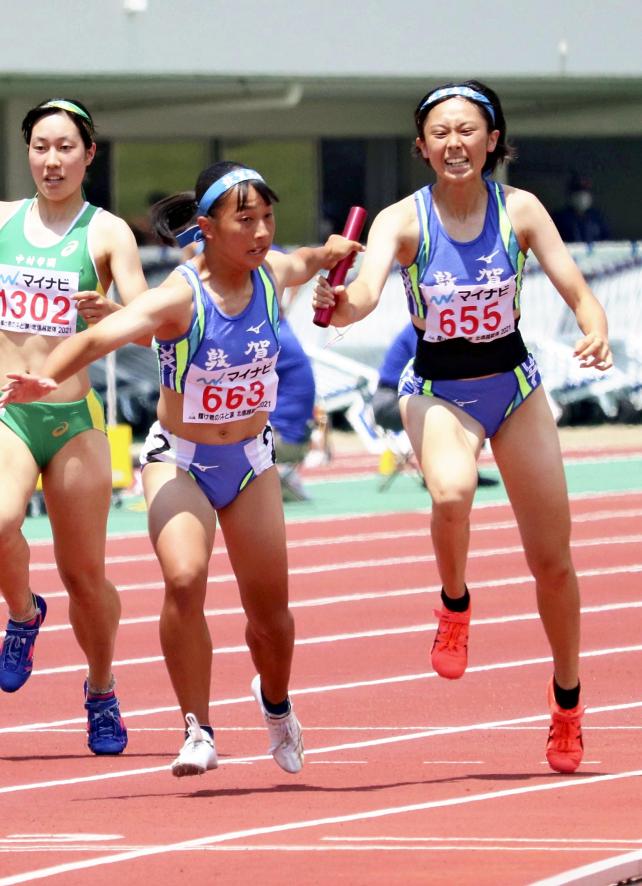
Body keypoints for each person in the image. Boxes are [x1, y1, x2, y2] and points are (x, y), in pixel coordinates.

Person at [1, 161, 363, 777]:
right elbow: (98, 338)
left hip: (251, 462)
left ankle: (276, 704)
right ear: (208, 228)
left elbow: (307, 260)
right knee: (185, 577)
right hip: (180, 460)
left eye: (267, 218)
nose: (261, 232)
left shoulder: (272, 273)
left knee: (271, 619)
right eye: (245, 220)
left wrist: (333, 254)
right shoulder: (179, 296)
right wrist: (46, 377)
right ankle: (198, 728)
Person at [312, 80, 612, 775]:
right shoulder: (402, 221)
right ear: (421, 147)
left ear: (492, 140)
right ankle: (454, 603)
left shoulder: (521, 211)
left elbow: (577, 289)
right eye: (440, 133)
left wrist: (594, 328)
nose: (455, 143)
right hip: (437, 390)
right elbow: (362, 298)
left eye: (467, 130)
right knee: (452, 493)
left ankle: (567, 701)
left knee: (553, 562)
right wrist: (337, 298)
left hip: (513, 387)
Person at [0, 98, 148, 754]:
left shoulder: (106, 233)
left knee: (84, 577)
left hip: (73, 420)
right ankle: (23, 614)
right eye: (41, 147)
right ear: (27, 153)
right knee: (0, 521)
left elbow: (149, 324)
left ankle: (102, 688)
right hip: (8, 410)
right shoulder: (2, 220)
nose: (52, 160)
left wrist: (110, 314)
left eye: (65, 147)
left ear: (89, 154)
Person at [372, 322, 498, 487]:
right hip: (389, 401)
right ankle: (444, 473)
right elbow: (430, 370)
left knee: (464, 405)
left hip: (403, 395)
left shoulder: (434, 329)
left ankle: (459, 471)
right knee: (459, 408)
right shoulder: (421, 329)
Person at [552, 174, 610, 244]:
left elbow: (606, 241)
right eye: (578, 191)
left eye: (585, 191)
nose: (582, 195)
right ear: (570, 194)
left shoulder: (597, 218)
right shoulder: (559, 218)